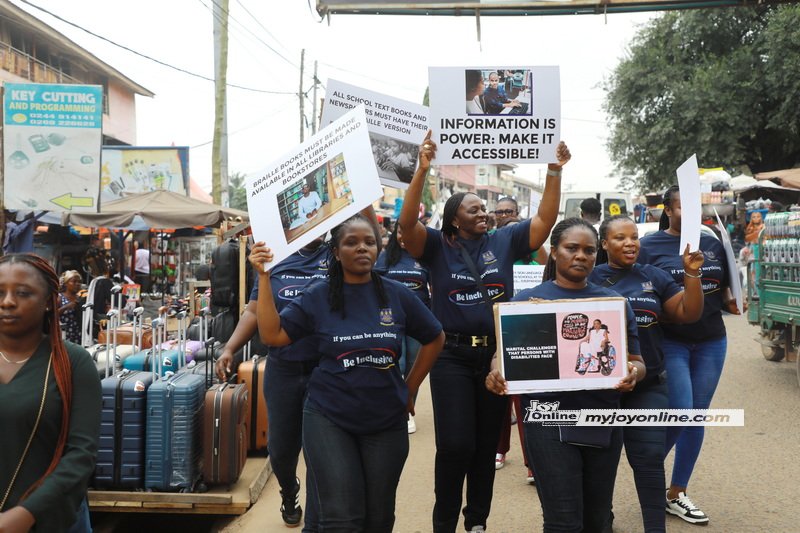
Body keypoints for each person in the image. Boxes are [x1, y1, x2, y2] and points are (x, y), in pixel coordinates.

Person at [399, 131, 571, 533]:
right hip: (452, 358)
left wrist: (553, 172)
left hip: (497, 356)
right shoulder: (437, 247)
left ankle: (476, 521)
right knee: (456, 445)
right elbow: (407, 224)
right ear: (454, 219)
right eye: (475, 209)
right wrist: (422, 170)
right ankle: (444, 521)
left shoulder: (505, 240)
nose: (485, 213)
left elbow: (545, 221)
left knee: (484, 446)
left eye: (486, 209)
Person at [250, 213, 445, 532]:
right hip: (329, 417)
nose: (362, 248)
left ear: (379, 247)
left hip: (385, 420)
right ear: (336, 252)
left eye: (369, 242)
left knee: (379, 518)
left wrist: (409, 389)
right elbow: (273, 336)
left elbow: (435, 337)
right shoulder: (317, 294)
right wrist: (264, 276)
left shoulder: (396, 294)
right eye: (351, 242)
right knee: (341, 517)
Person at [485, 217, 646, 533]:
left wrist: (632, 373)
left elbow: (638, 362)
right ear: (555, 252)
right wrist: (496, 373)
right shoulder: (526, 303)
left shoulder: (613, 306)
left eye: (588, 250)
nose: (581, 256)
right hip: (547, 418)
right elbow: (500, 358)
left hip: (602, 418)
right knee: (562, 521)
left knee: (599, 519)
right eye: (572, 248)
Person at [591, 214, 705, 533]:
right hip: (600, 391)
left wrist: (691, 274)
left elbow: (688, 313)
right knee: (601, 463)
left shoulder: (653, 276)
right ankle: (602, 522)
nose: (630, 243)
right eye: (620, 238)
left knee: (650, 459)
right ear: (604, 244)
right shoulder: (590, 278)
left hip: (649, 384)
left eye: (634, 237)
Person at [638, 185, 740, 526]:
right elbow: (636, 291)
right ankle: (646, 468)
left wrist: (734, 301)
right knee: (681, 411)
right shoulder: (648, 247)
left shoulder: (712, 241)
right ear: (668, 209)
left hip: (712, 339)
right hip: (671, 341)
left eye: (697, 207)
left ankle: (675, 493)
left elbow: (726, 287)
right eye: (684, 206)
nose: (692, 213)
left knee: (697, 415)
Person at [216, 236, 329, 530]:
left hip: (324, 369)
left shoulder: (336, 254)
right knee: (280, 448)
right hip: (283, 369)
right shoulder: (273, 257)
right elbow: (254, 311)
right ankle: (289, 491)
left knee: (321, 448)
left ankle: (318, 519)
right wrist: (229, 348)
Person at [0, 253, 101, 533]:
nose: (7, 301)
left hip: (51, 521)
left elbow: (81, 454)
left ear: (48, 302)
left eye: (22, 293)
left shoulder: (72, 363)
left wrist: (26, 514)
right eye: (0, 292)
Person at [374, 221, 432, 434]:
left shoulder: (424, 258)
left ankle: (407, 409)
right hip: (389, 320)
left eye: (406, 231)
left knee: (413, 367)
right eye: (400, 231)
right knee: (396, 364)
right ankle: (392, 408)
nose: (403, 236)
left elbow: (433, 288)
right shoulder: (385, 257)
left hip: (418, 321)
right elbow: (375, 285)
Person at [57, 270, 83, 344]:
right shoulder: (59, 297)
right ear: (65, 283)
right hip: (64, 335)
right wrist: (66, 307)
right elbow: (52, 314)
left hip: (78, 334)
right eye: (74, 281)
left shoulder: (80, 298)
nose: (77, 284)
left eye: (79, 282)